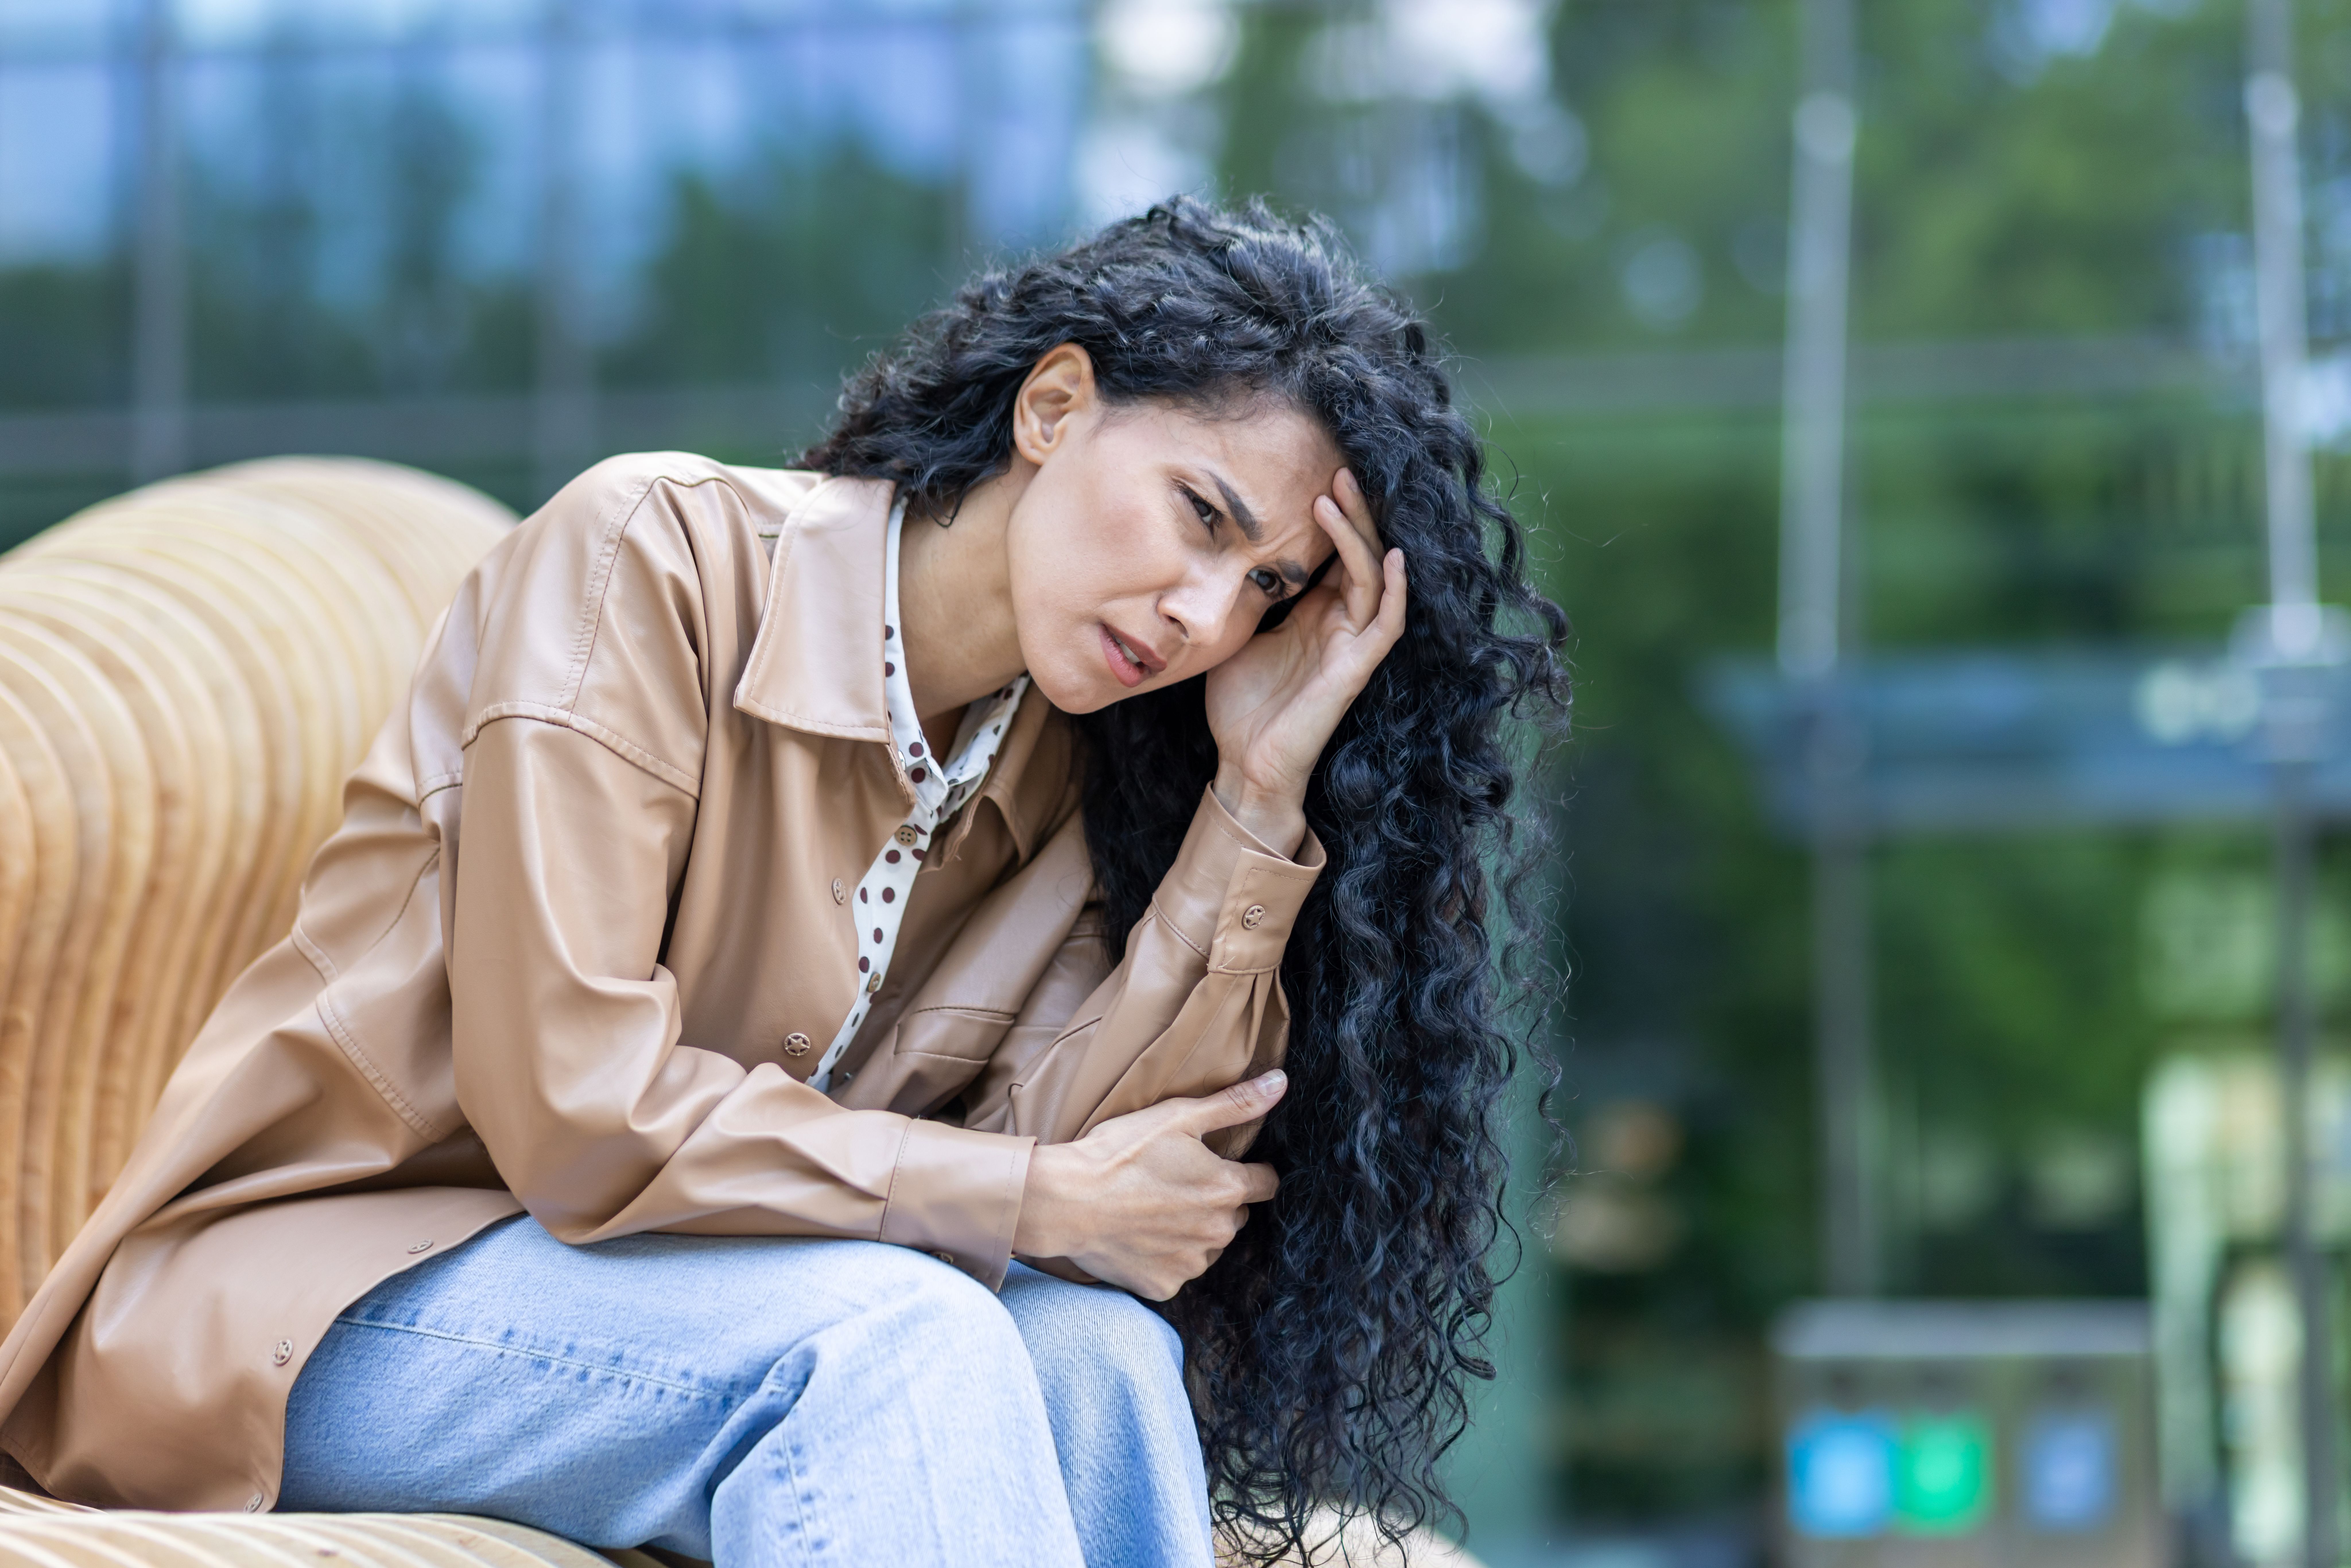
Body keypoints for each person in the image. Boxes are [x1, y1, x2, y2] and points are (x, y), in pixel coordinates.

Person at [0, 198, 1567, 1568]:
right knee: (890, 1341)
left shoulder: (1069, 761)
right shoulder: (652, 563)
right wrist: (1023, 1196)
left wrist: (1252, 795)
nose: (1205, 610)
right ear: (1055, 406)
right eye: (1203, 517)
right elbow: (574, 1107)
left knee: (1090, 1357)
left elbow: (1097, 1196)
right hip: (332, 1298)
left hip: (679, 1310)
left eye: (1268, 590)